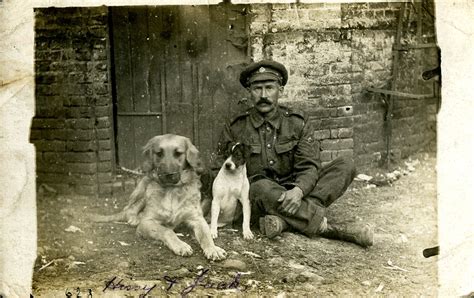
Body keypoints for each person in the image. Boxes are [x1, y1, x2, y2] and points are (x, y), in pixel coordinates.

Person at [215, 60, 373, 248]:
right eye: (257, 88)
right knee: (261, 187)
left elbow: (309, 164)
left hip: (295, 189)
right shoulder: (236, 126)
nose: (263, 95)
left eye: (269, 88)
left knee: (346, 164)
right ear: (249, 91)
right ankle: (332, 229)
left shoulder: (297, 121)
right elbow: (219, 167)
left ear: (280, 90)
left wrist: (298, 191)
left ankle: (285, 220)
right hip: (260, 196)